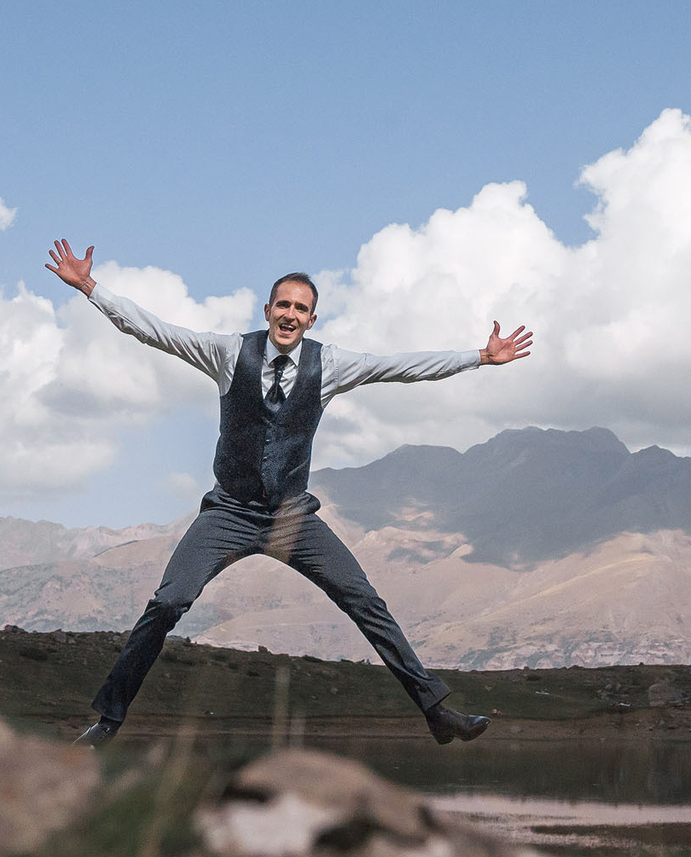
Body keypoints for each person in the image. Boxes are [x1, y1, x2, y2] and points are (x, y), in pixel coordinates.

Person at [45, 240, 531, 746]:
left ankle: (436, 712)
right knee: (168, 603)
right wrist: (90, 288)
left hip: (292, 516)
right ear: (267, 310)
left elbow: (401, 366)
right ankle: (107, 722)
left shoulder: (330, 365)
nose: (290, 315)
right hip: (229, 512)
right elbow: (154, 330)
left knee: (364, 599)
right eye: (283, 305)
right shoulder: (228, 353)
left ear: (311, 320)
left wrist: (479, 357)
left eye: (301, 308)